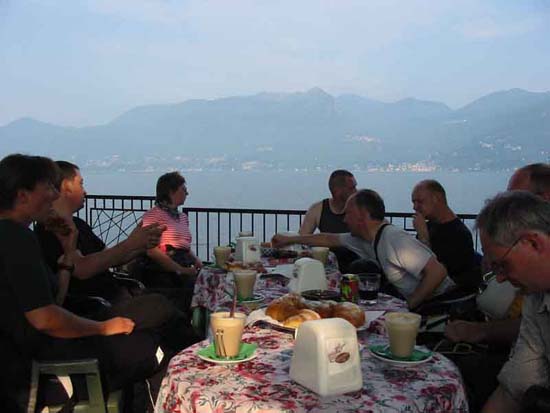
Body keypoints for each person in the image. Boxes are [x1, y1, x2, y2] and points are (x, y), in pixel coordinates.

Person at [0, 154, 160, 412]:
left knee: (149, 329)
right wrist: (103, 328)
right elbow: (44, 318)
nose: (54, 195)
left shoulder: (17, 235)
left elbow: (53, 302)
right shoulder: (16, 238)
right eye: (48, 187)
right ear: (22, 196)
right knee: (151, 346)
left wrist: (67, 254)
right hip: (39, 370)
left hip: (40, 355)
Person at [273, 189, 455, 309]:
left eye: (348, 214)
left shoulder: (393, 238)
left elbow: (438, 272)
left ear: (361, 216)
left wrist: (412, 304)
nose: (344, 220)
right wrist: (290, 239)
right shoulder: (363, 239)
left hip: (440, 305)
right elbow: (328, 238)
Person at [476, 191, 550, 413]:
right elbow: (517, 385)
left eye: (502, 265)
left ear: (533, 243)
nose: (499, 278)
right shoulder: (535, 295)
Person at [412, 179, 480, 291]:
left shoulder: (459, 234)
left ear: (436, 199)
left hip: (449, 295)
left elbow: (436, 275)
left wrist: (423, 235)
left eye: (419, 201)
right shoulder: (429, 226)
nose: (415, 207)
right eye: (413, 202)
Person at [138, 172, 201, 294]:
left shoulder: (182, 217)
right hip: (166, 271)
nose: (187, 193)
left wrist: (197, 261)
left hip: (184, 263)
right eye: (183, 190)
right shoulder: (154, 215)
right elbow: (151, 250)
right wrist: (181, 270)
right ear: (171, 192)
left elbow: (184, 245)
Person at [299, 169, 361, 272]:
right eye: (352, 188)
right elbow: (302, 240)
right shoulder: (317, 209)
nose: (356, 192)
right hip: (327, 269)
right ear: (337, 191)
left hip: (358, 269)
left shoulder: (361, 210)